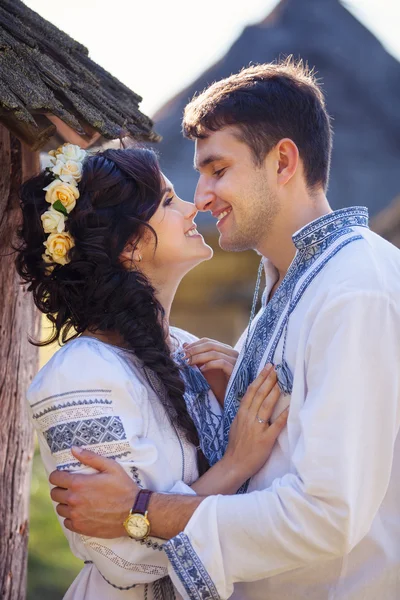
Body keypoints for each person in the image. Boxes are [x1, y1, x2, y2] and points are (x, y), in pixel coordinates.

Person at [50, 59, 400, 600]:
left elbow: (326, 515)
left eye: (217, 169)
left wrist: (139, 510)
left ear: (282, 161)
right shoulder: (294, 287)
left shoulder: (354, 290)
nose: (202, 197)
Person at [17, 144, 288, 599]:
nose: (194, 205)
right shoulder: (78, 376)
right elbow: (124, 557)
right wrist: (236, 463)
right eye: (167, 201)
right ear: (130, 247)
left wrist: (233, 392)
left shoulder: (188, 350)